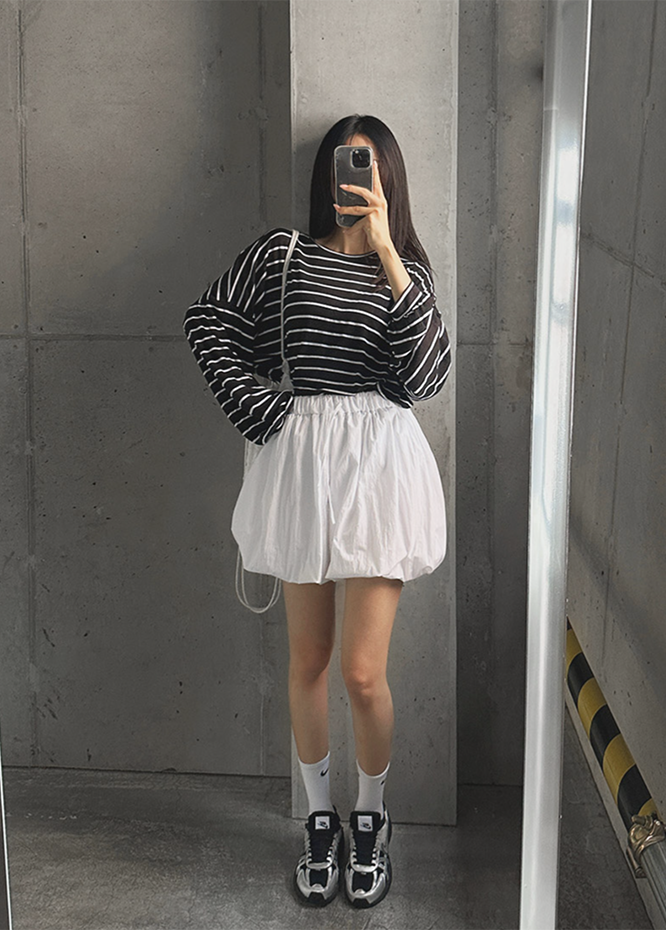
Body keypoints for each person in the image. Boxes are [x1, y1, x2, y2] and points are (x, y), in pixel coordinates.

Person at [183, 114, 451, 909]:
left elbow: (428, 377)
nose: (354, 179)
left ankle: (371, 818)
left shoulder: (410, 274)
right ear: (325, 177)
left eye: (367, 166)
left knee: (363, 673)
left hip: (379, 473)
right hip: (303, 469)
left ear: (389, 179)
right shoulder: (284, 255)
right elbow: (207, 322)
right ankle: (319, 822)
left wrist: (390, 255)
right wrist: (263, 410)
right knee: (307, 663)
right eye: (343, 165)